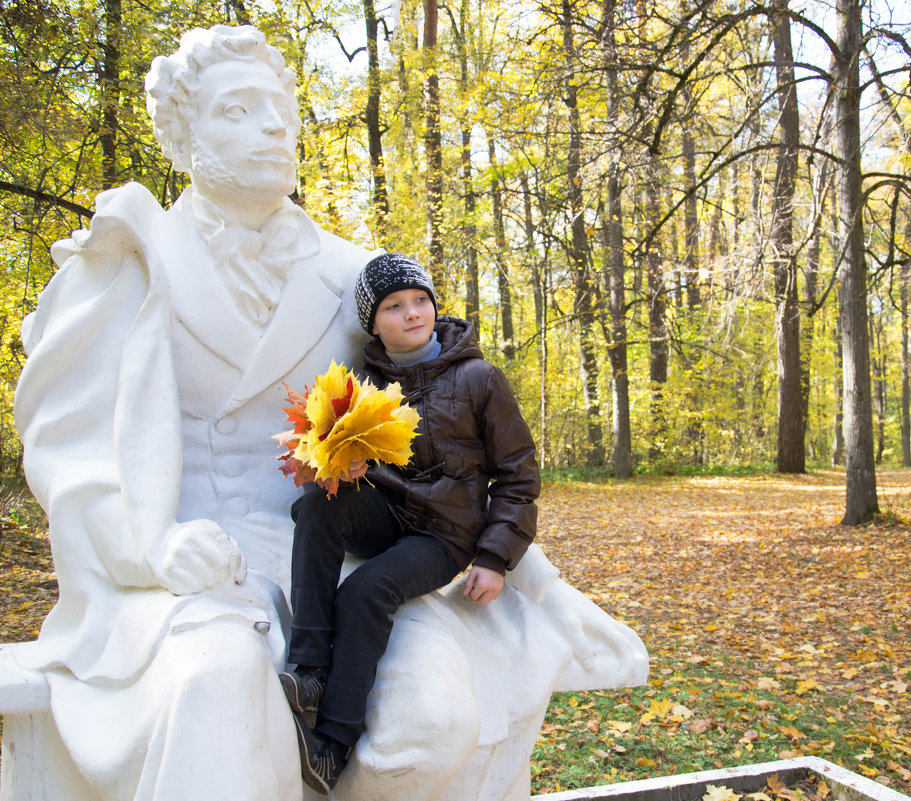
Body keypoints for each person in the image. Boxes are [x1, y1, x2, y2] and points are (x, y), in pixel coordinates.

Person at [10, 23, 646, 801]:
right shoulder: (127, 262)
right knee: (218, 688)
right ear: (181, 136)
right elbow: (70, 453)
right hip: (188, 562)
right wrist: (147, 546)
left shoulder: (355, 278)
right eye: (238, 111)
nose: (276, 125)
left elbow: (455, 454)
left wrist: (540, 584)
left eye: (281, 107)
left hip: (345, 549)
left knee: (429, 718)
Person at [281, 252, 539, 794]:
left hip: (444, 534)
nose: (413, 313)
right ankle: (308, 671)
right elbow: (336, 454)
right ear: (374, 322)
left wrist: (494, 559)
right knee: (315, 504)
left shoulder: (479, 377)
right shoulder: (362, 383)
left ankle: (334, 741)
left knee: (364, 592)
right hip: (386, 512)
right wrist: (343, 465)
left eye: (420, 300)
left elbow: (518, 475)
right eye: (395, 306)